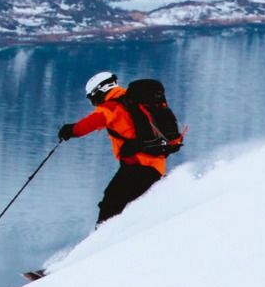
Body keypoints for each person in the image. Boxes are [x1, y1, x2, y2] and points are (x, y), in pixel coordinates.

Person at [58, 70, 184, 225]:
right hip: (156, 166)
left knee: (111, 203)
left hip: (136, 166)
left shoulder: (111, 107)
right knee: (133, 206)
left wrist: (70, 131)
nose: (94, 103)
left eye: (92, 99)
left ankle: (101, 242)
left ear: (100, 91)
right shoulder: (134, 101)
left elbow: (89, 124)